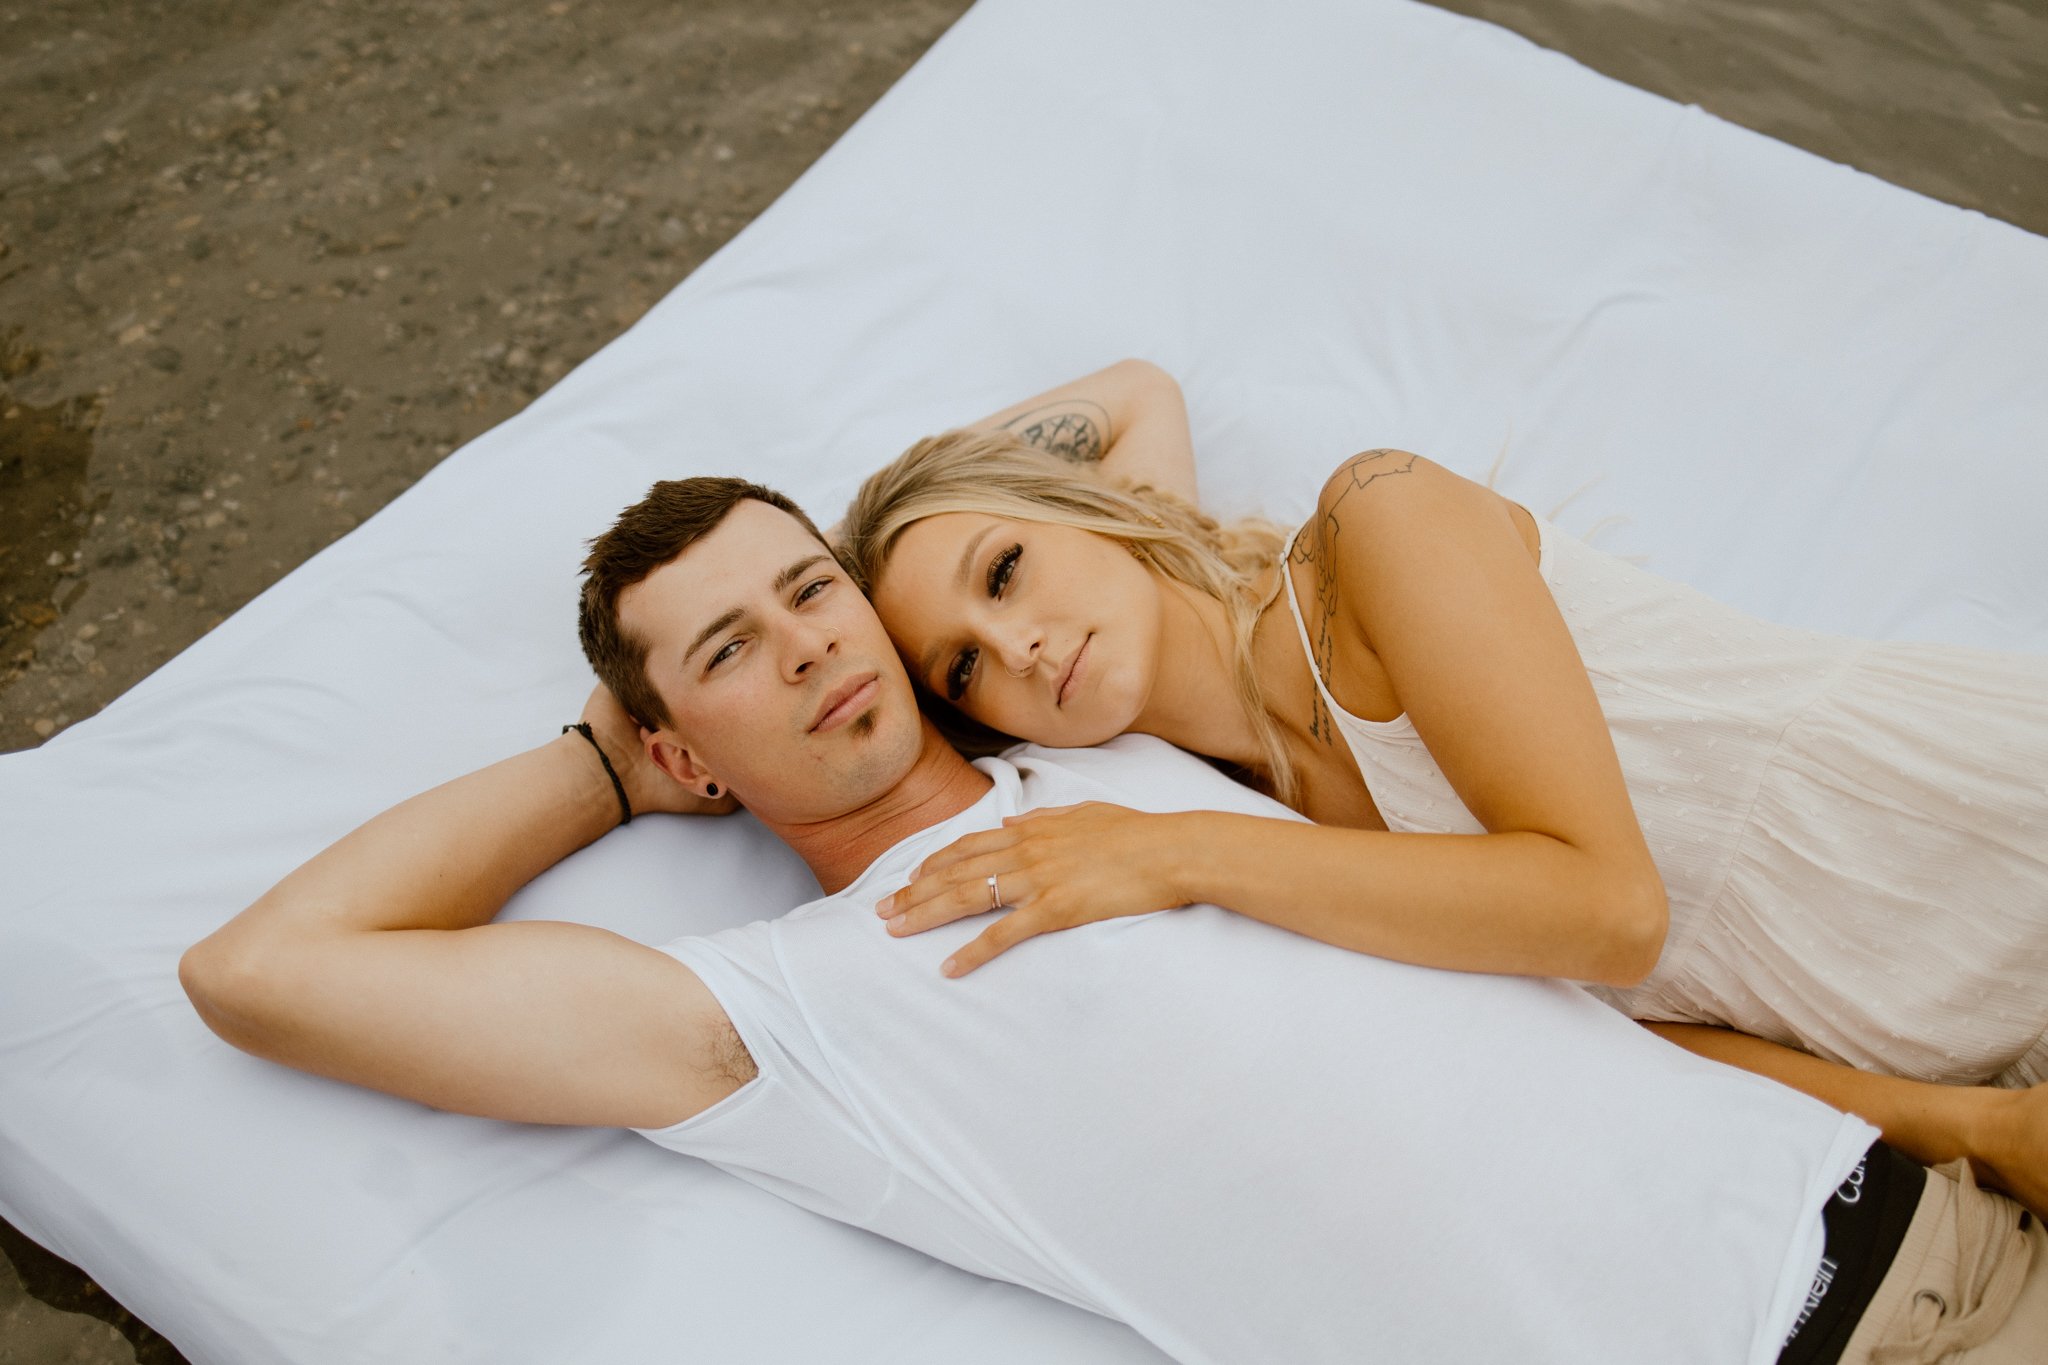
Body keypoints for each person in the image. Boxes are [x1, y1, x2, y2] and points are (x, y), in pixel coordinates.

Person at [180, 476, 2045, 1363]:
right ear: (690, 734)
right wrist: (604, 771)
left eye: (813, 589)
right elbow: (260, 975)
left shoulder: (1133, 732)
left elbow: (1111, 432)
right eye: (731, 650)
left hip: (1934, 1231)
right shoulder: (779, 1016)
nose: (814, 642)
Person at [833, 358, 2048, 1211]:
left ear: (1096, 508)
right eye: (962, 665)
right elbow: (1631, 1025)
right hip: (1964, 1057)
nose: (1019, 647)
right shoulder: (1240, 810)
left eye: (1002, 571)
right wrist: (1979, 1136)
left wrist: (1179, 852)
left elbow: (1608, 914)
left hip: (1984, 839)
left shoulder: (1375, 527)